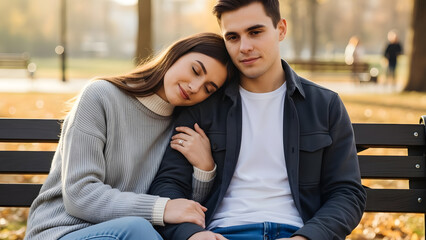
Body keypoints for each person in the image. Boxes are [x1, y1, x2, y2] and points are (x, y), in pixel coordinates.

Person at [149, 1, 367, 240]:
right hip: (222, 233)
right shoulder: (204, 105)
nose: (244, 47)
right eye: (232, 37)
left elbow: (347, 193)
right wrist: (191, 235)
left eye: (255, 32)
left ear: (281, 29)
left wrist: (307, 238)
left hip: (297, 232)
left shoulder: (324, 105)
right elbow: (168, 185)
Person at [24, 32, 237, 240]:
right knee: (137, 228)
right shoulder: (101, 97)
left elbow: (183, 210)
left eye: (208, 89)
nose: (194, 87)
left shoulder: (182, 127)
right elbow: (80, 194)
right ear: (176, 54)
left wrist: (204, 168)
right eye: (195, 70)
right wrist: (161, 208)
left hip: (128, 234)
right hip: (61, 231)